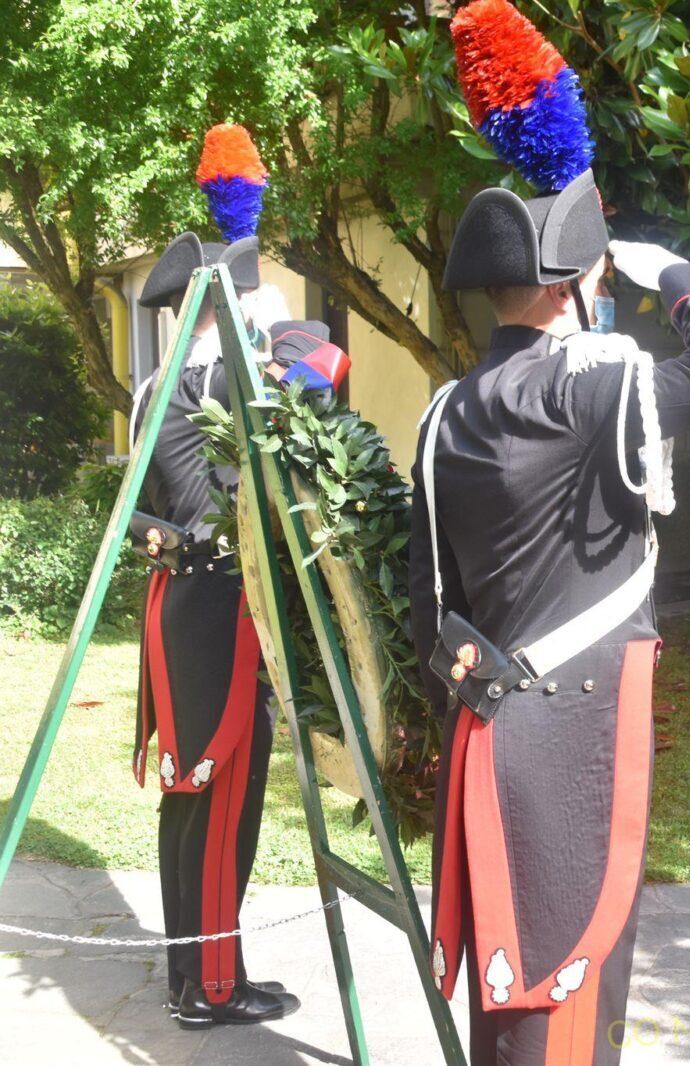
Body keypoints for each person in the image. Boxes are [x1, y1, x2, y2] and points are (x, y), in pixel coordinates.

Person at [411, 3, 690, 1062]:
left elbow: (435, 588)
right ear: (579, 282)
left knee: (513, 981)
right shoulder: (596, 382)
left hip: (490, 726)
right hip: (572, 732)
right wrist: (683, 273)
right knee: (565, 984)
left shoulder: (448, 408)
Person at [131, 124, 348, 1028]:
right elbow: (325, 367)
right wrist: (278, 327)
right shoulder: (233, 378)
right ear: (236, 298)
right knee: (223, 799)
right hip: (219, 605)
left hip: (172, 601)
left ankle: (189, 973)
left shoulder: (156, 384)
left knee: (188, 800)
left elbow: (138, 515)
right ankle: (213, 990)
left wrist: (167, 541)